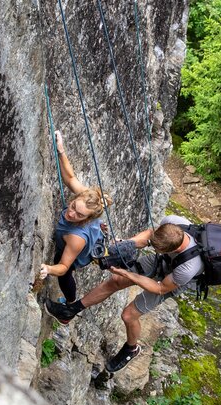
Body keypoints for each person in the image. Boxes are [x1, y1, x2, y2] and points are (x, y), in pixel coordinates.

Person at [45, 215, 203, 372]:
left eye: (157, 249)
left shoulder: (188, 268)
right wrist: (127, 244)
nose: (153, 248)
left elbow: (159, 288)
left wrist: (129, 275)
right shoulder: (172, 222)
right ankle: (70, 311)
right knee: (116, 280)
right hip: (165, 261)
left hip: (172, 281)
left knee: (129, 315)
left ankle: (131, 349)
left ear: (173, 250)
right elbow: (149, 234)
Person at [39, 130, 112, 304]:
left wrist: (48, 268)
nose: (71, 213)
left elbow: (63, 267)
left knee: (64, 270)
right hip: (87, 234)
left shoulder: (75, 238)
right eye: (72, 207)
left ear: (87, 219)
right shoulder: (86, 198)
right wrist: (61, 150)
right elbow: (70, 178)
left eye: (79, 215)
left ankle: (70, 303)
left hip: (79, 251)